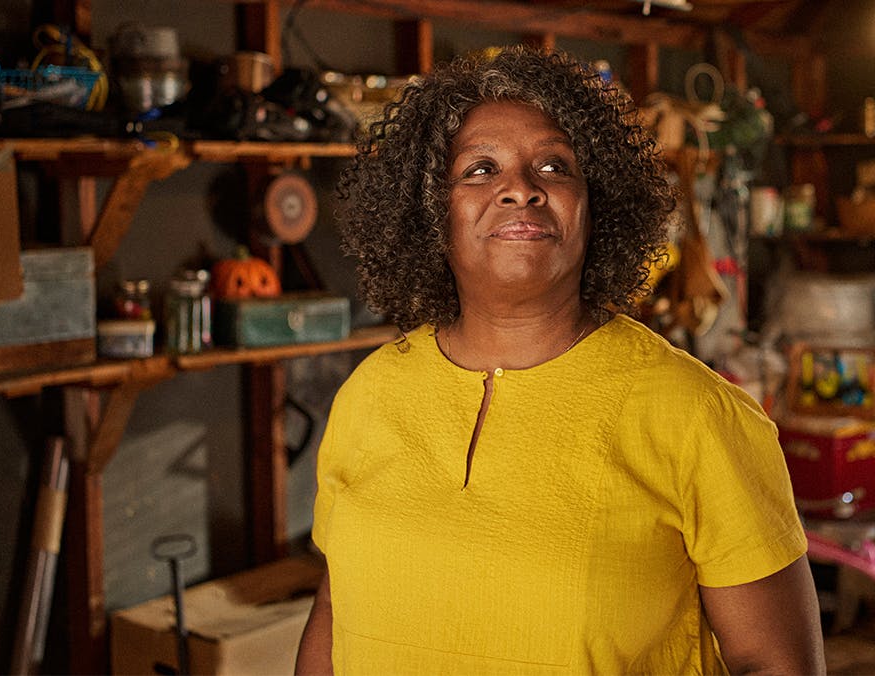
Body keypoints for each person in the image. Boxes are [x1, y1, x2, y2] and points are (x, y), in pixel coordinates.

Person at [295, 45, 824, 675]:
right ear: (433, 214)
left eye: (553, 166)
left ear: (596, 206)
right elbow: (333, 609)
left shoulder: (697, 415)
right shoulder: (369, 395)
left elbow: (777, 664)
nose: (520, 189)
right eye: (479, 170)